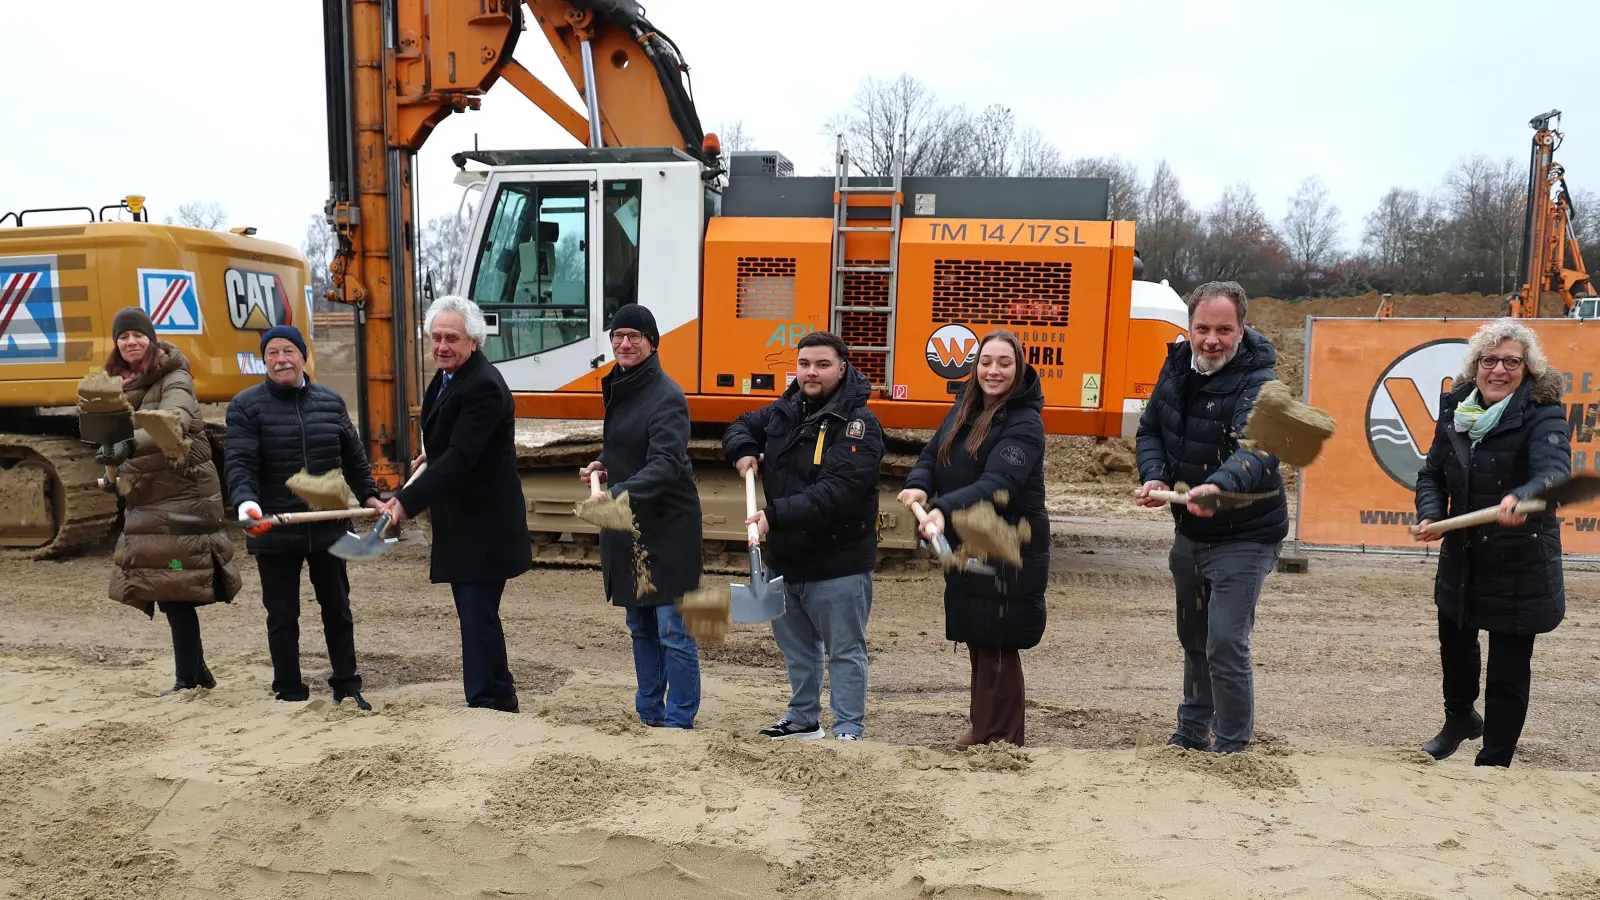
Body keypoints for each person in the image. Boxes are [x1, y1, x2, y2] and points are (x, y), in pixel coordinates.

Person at [1133, 280, 1286, 754]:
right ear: (1189, 327)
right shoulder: (1175, 366)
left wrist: (1219, 486)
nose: (1211, 340)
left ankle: (1234, 744)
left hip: (1246, 533)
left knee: (1224, 641)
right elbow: (1150, 429)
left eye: (1224, 329)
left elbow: (1258, 448)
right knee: (1193, 635)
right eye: (1202, 328)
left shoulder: (1260, 381)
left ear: (1242, 330)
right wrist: (1156, 476)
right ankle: (1193, 731)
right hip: (1191, 529)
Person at [1411, 319, 1569, 767]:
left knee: (1508, 668)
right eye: (1489, 360)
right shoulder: (1456, 409)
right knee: (1456, 648)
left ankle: (1495, 758)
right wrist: (1431, 514)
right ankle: (1460, 718)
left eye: (1511, 361)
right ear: (1476, 365)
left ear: (1527, 368)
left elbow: (1554, 469)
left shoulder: (1543, 413)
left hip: (1520, 560)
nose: (1498, 370)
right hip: (1463, 556)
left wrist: (1526, 495)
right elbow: (1432, 474)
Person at [723, 331, 884, 741]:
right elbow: (740, 425)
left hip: (837, 562)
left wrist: (772, 515)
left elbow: (836, 493)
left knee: (845, 651)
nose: (812, 373)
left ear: (842, 368)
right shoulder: (785, 409)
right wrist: (743, 448)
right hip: (786, 559)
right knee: (797, 648)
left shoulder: (858, 425)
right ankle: (802, 719)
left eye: (822, 365)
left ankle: (848, 729)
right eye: (805, 364)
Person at [898, 329, 1048, 748]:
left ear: (1018, 370)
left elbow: (999, 483)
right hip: (969, 539)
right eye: (986, 362)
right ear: (975, 366)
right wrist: (919, 486)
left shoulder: (1025, 422)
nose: (993, 371)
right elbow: (932, 455)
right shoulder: (964, 407)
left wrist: (944, 511)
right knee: (979, 636)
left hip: (1008, 544)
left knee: (1000, 640)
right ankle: (983, 726)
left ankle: (1001, 737)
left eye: (1004, 363)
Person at [383, 296, 532, 713]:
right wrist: (435, 453)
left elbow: (464, 457)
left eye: (452, 337)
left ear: (473, 341)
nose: (442, 345)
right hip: (466, 522)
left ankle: (490, 702)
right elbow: (458, 440)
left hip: (484, 525)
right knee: (474, 616)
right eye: (436, 337)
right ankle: (495, 694)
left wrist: (405, 502)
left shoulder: (482, 383)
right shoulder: (450, 376)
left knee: (477, 615)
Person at [224, 324, 383, 709]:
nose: (281, 360)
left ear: (302, 356)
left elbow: (355, 458)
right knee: (282, 614)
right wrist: (247, 504)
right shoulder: (245, 406)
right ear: (263, 360)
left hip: (328, 527)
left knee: (338, 609)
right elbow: (240, 464)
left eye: (289, 351)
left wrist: (370, 495)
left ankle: (347, 684)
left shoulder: (330, 402)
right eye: (272, 353)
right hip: (275, 529)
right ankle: (289, 690)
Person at [102, 307, 242, 693]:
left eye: (137, 335)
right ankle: (198, 674)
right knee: (169, 590)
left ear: (151, 338)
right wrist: (109, 467)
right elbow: (110, 435)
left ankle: (187, 681)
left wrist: (127, 445)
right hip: (149, 497)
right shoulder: (118, 383)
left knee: (174, 589)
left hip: (183, 496)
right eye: (123, 336)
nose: (131, 342)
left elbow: (175, 421)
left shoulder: (174, 376)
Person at [579, 303, 703, 728]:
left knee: (673, 627)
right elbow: (628, 447)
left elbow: (667, 463)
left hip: (668, 527)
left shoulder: (667, 395)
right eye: (618, 336)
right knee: (640, 623)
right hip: (630, 522)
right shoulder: (621, 385)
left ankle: (680, 719)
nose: (624, 343)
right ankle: (649, 711)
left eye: (634, 336)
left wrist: (614, 493)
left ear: (653, 343)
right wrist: (602, 464)